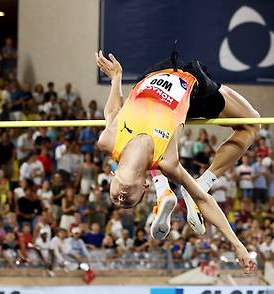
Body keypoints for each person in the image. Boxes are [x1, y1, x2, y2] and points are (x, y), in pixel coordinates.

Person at [94, 50, 257, 273]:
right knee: (252, 123)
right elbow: (205, 201)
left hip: (152, 75)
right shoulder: (167, 161)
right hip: (192, 87)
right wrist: (237, 244)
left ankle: (165, 192)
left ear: (112, 175)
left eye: (115, 198)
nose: (121, 198)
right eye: (127, 201)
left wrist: (116, 79)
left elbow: (112, 112)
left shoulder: (108, 141)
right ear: (144, 185)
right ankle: (202, 181)